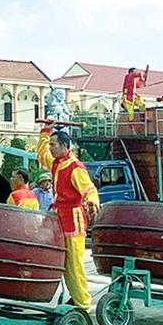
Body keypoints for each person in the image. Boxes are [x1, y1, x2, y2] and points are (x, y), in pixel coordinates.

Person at [37, 126, 100, 311]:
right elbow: (42, 156)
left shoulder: (75, 167)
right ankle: (77, 298)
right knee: (65, 264)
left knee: (74, 265)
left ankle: (84, 304)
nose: (50, 148)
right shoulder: (57, 162)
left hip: (73, 219)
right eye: (50, 144)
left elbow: (89, 189)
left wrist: (92, 201)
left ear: (64, 146)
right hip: (60, 218)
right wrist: (45, 132)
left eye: (53, 145)